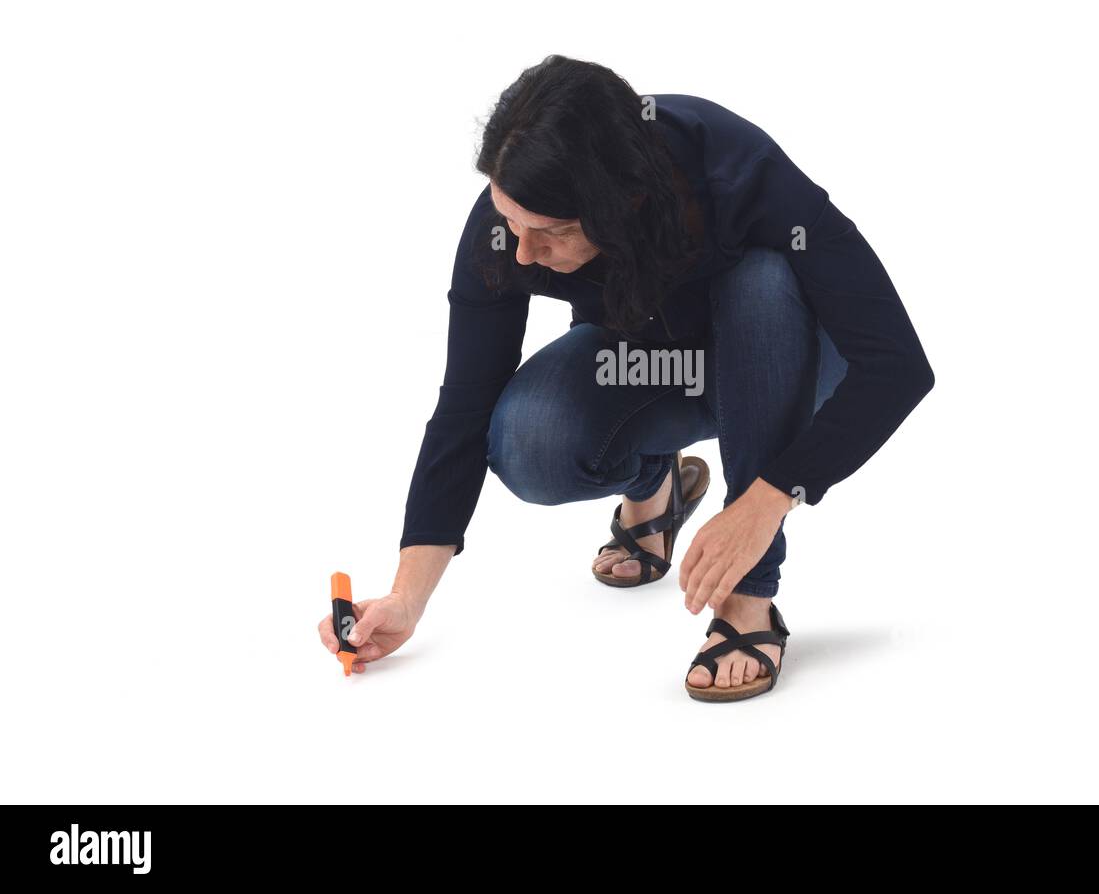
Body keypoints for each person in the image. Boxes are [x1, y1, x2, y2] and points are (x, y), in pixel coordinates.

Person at [317, 55, 935, 701]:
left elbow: (897, 365)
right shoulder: (515, 217)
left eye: (549, 233)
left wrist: (768, 497)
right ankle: (654, 482)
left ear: (622, 205)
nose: (523, 252)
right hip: (649, 365)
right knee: (529, 440)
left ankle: (748, 601)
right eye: (511, 223)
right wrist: (406, 597)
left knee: (763, 281)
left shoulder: (739, 170)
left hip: (790, 366)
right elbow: (465, 405)